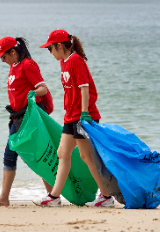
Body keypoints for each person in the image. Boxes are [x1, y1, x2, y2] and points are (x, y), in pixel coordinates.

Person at [33, 29, 115, 207]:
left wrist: (85, 113)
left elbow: (84, 88)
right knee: (62, 153)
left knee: (86, 156)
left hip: (82, 117)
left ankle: (106, 196)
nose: (50, 52)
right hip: (70, 116)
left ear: (60, 45)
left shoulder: (76, 60)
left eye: (50, 48)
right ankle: (54, 197)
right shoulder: (64, 62)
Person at [0, 36, 53, 206]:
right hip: (18, 117)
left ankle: (52, 195)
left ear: (13, 51)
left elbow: (42, 89)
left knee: (35, 155)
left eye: (4, 56)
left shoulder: (28, 65)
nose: (2, 60)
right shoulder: (14, 66)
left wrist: (33, 94)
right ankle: (5, 198)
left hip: (30, 117)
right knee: (12, 155)